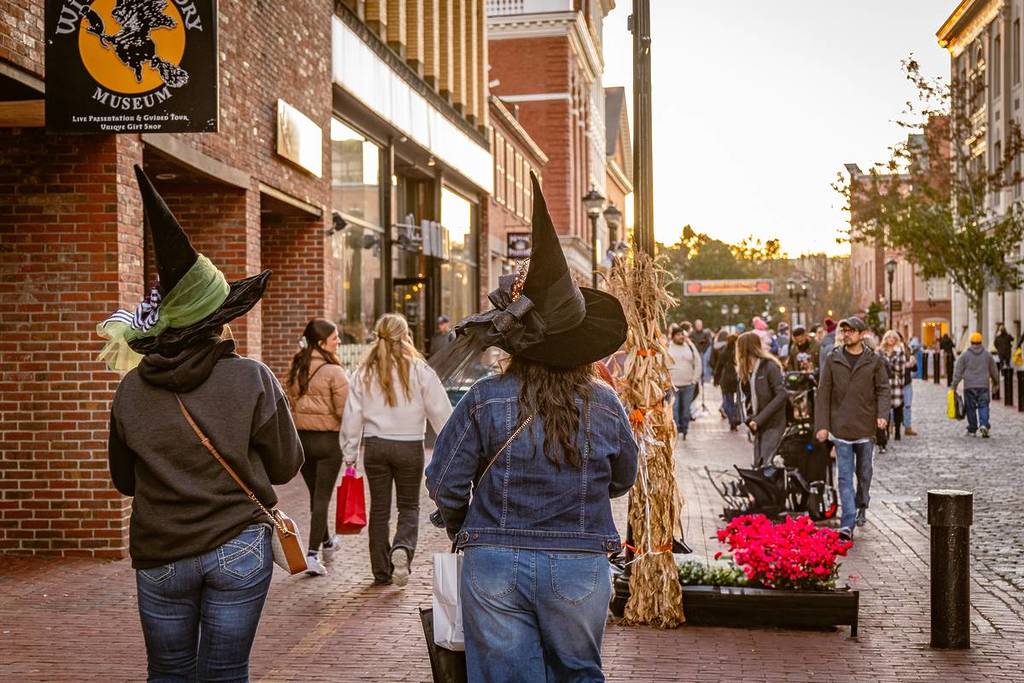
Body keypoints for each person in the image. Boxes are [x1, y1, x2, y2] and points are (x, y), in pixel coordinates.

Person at [426, 173, 637, 682]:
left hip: (493, 558)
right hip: (578, 560)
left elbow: (444, 480)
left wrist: (463, 520)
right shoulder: (604, 403)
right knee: (579, 672)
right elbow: (623, 478)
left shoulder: (484, 398)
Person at [104, 167, 304, 680]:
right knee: (225, 672)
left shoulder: (131, 389)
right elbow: (284, 467)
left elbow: (124, 480)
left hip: (160, 548)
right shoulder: (252, 379)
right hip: (237, 544)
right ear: (219, 320)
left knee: (168, 673)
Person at [341, 313, 451, 586]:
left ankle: (381, 570)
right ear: (405, 336)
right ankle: (402, 547)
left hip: (376, 446)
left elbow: (352, 415)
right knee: (408, 506)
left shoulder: (364, 372)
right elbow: (442, 413)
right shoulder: (420, 370)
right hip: (409, 445)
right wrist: (450, 446)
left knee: (380, 509)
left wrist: (349, 454)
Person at [814, 316, 890, 541]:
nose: (846, 334)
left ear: (861, 334)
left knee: (864, 473)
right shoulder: (833, 358)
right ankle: (847, 522)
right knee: (844, 478)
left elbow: (883, 390)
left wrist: (882, 415)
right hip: (841, 428)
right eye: (843, 330)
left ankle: (862, 503)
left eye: (850, 331)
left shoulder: (874, 360)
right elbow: (823, 394)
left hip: (866, 428)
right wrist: (822, 426)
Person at [286, 318, 350, 576]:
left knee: (316, 495)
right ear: (322, 342)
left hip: (302, 440)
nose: (339, 342)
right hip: (327, 442)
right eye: (335, 338)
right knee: (322, 498)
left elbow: (290, 397)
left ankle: (327, 542)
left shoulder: (297, 364)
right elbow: (344, 410)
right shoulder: (334, 371)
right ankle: (312, 555)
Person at [735, 331, 787, 466]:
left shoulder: (769, 367)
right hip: (758, 424)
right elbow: (744, 398)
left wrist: (759, 419)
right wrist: (748, 419)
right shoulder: (746, 371)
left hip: (773, 422)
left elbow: (781, 395)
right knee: (758, 463)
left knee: (766, 463)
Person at [951, 332, 999, 438]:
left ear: (971, 342)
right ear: (981, 342)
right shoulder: (987, 355)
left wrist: (954, 385)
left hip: (969, 385)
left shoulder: (965, 355)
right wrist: (996, 382)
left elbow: (958, 372)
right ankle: (984, 425)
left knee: (970, 407)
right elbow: (994, 370)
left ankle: (972, 429)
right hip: (983, 385)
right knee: (984, 405)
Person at [667, 324, 702, 440]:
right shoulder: (667, 347)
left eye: (682, 334)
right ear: (673, 337)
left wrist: (695, 379)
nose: (681, 336)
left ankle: (685, 429)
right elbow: (661, 364)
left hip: (688, 385)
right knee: (674, 409)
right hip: (673, 385)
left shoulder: (690, 347)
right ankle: (676, 430)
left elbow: (698, 362)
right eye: (678, 335)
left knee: (686, 411)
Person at [879, 331, 906, 444]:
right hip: (884, 382)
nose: (890, 339)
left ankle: (898, 431)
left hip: (895, 382)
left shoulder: (900, 351)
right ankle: (885, 431)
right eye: (888, 337)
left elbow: (900, 368)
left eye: (893, 337)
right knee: (885, 408)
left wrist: (886, 365)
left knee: (897, 408)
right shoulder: (881, 352)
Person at [713, 333, 741, 430]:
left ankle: (732, 419)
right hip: (737, 378)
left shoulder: (724, 352)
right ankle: (736, 417)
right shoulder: (739, 352)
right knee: (738, 400)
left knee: (728, 401)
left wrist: (716, 380)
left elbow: (719, 366)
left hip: (726, 379)